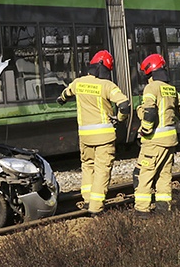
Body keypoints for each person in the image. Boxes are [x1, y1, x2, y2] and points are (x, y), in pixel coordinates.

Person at [56, 50, 131, 215]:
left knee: (88, 166)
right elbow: (125, 105)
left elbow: (64, 95)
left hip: (85, 136)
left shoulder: (78, 83)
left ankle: (88, 199)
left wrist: (61, 100)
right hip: (104, 136)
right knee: (102, 169)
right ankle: (96, 208)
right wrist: (119, 118)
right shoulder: (107, 86)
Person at [133, 54, 180, 217]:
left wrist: (145, 130)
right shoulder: (170, 88)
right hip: (170, 139)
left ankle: (142, 210)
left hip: (154, 140)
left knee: (145, 174)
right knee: (164, 176)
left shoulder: (152, 88)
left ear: (149, 71)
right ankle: (164, 210)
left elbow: (149, 113)